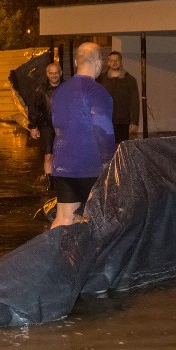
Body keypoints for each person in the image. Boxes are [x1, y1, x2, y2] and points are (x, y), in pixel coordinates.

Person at [50, 42, 115, 229]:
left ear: (76, 62)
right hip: (90, 165)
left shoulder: (59, 91)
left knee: (64, 218)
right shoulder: (97, 92)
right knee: (96, 221)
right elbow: (104, 131)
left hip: (62, 164)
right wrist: (109, 161)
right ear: (98, 62)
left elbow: (56, 125)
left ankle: (53, 255)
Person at [28, 62, 65, 189]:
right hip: (47, 126)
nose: (54, 75)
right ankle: (50, 185)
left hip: (65, 126)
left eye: (56, 73)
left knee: (65, 153)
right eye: (51, 73)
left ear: (61, 73)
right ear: (47, 74)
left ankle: (63, 182)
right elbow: (33, 108)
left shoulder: (68, 88)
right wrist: (33, 126)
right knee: (48, 155)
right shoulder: (40, 89)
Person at [96, 51, 139, 144]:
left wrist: (134, 121)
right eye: (111, 60)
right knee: (106, 149)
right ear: (108, 63)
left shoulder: (130, 80)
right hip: (105, 121)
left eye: (117, 60)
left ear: (121, 61)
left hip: (123, 122)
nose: (114, 62)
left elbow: (134, 101)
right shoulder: (101, 79)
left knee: (122, 149)